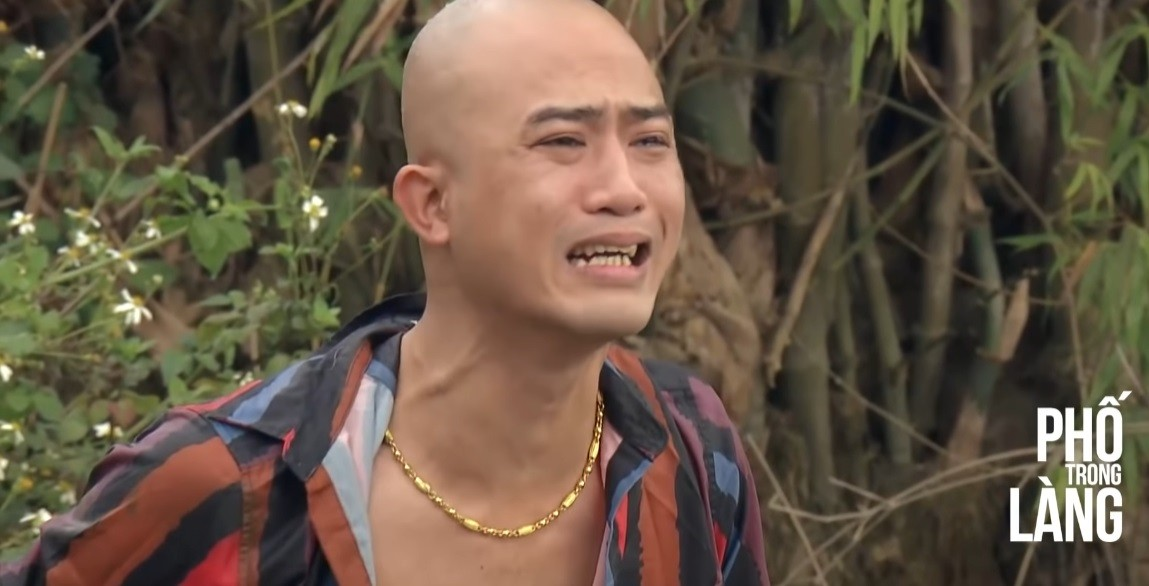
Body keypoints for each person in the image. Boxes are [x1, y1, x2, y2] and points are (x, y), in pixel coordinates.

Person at [0, 0, 771, 583]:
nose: (623, 188)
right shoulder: (226, 488)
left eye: (649, 141)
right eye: (563, 141)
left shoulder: (690, 451)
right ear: (431, 204)